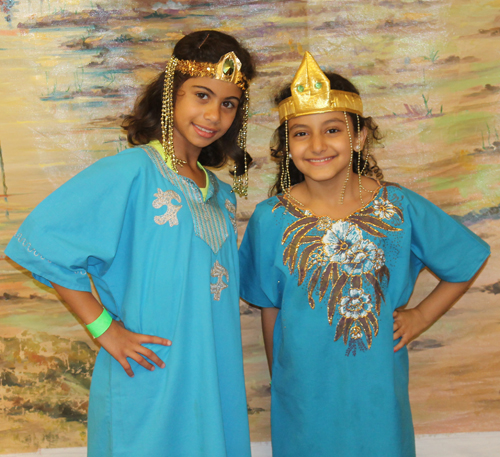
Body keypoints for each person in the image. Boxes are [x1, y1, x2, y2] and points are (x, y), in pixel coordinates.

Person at [6, 30, 255, 457]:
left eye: (228, 103)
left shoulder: (222, 195)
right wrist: (105, 329)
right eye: (201, 95)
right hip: (149, 378)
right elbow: (41, 245)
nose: (213, 114)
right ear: (170, 94)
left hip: (212, 382)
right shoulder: (131, 173)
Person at [238, 52, 490, 457]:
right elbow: (271, 307)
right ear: (286, 145)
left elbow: (465, 259)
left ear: (358, 137)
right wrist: (281, 377)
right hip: (304, 390)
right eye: (301, 133)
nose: (317, 145)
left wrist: (421, 316)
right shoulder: (271, 219)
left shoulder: (398, 207)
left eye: (332, 130)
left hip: (377, 386)